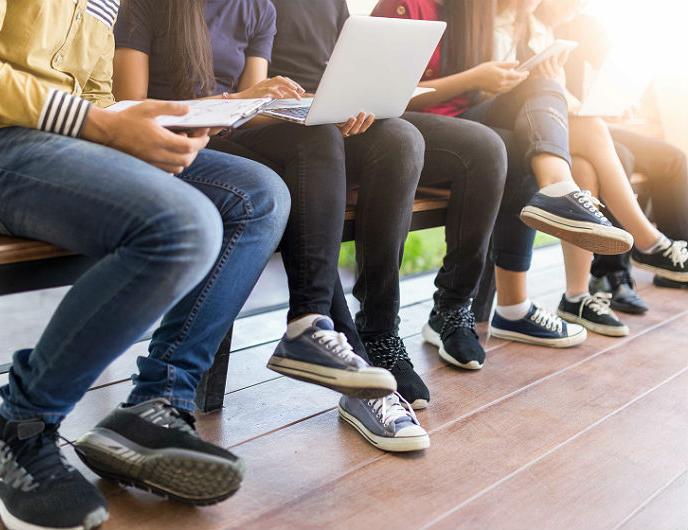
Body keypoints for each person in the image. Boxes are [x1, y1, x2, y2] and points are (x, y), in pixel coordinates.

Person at [0, 1, 291, 528]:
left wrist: (154, 125)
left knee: (258, 195)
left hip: (64, 140)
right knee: (184, 225)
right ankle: (16, 429)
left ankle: (154, 405)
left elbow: (96, 97)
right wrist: (98, 123)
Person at [113, 0, 431, 452]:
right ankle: (347, 359)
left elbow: (250, 112)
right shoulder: (147, 5)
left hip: (229, 137)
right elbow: (134, 110)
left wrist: (313, 110)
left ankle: (314, 325)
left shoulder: (257, 8)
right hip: (173, 145)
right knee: (296, 183)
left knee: (328, 139)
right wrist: (236, 101)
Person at [373, 0, 591, 355]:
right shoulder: (403, 7)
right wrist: (475, 78)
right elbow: (387, 96)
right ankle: (456, 306)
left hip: (464, 120)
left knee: (539, 99)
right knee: (495, 147)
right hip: (408, 128)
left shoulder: (467, 11)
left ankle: (558, 190)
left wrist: (502, 82)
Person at [497, 0, 688, 336]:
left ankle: (577, 296)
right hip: (538, 124)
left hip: (568, 122)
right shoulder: (515, 24)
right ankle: (648, 245)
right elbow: (528, 93)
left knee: (591, 161)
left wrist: (604, 104)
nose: (578, 6)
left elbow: (560, 94)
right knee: (601, 145)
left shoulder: (556, 29)